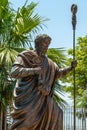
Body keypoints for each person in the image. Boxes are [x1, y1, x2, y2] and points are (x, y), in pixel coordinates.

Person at [10, 34, 77, 130]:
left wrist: (70, 68)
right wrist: (34, 70)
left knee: (57, 113)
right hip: (28, 98)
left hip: (44, 99)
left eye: (48, 45)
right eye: (44, 44)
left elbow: (57, 74)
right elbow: (14, 72)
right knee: (27, 122)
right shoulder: (26, 56)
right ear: (37, 44)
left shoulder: (50, 63)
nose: (46, 47)